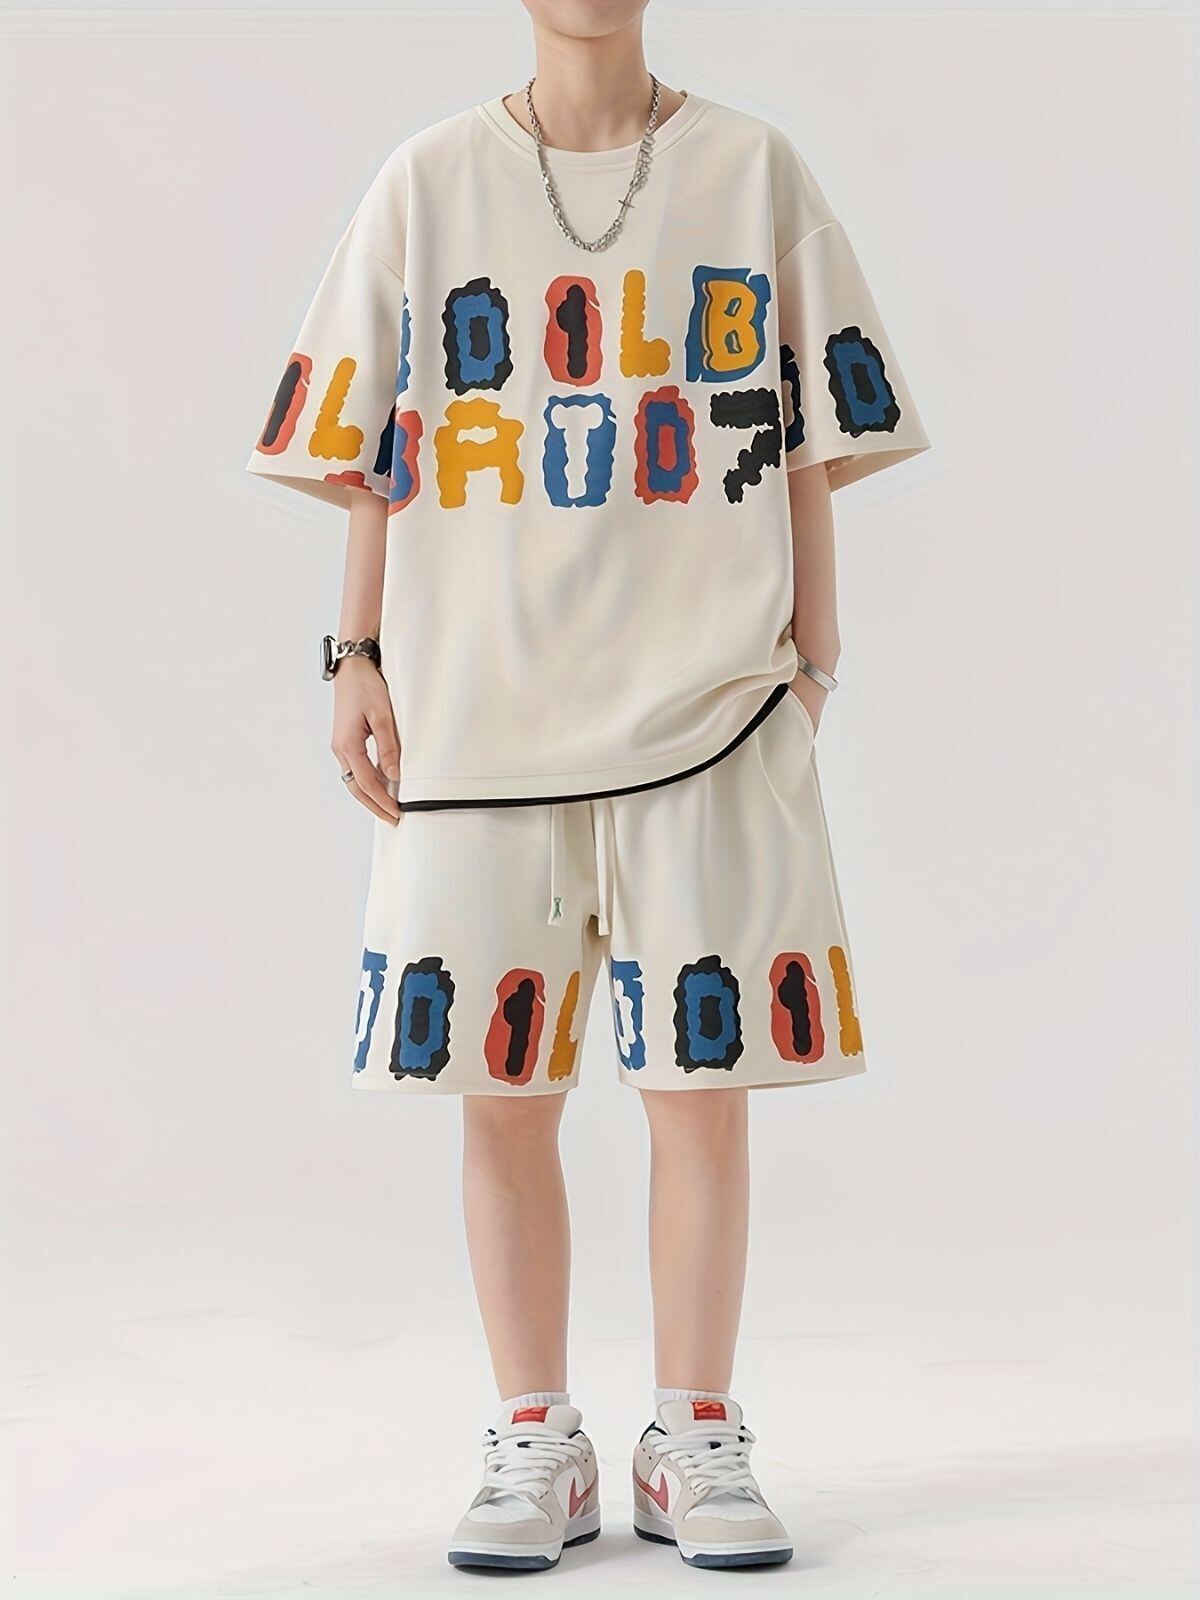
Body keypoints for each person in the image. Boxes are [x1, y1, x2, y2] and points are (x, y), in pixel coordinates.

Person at [247, 0, 930, 1574]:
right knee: (503, 1095)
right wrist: (354, 652)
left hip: (712, 707)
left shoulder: (753, 168)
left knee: (702, 1091)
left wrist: (815, 658)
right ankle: (533, 1437)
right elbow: (373, 440)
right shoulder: (427, 181)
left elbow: (810, 426)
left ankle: (694, 1434)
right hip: (475, 717)